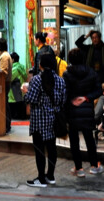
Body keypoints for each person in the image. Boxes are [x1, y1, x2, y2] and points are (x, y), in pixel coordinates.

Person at [23, 53, 66, 187]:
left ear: (40, 65)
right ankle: (50, 176)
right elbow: (63, 101)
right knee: (52, 148)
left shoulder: (36, 80)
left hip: (39, 120)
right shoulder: (60, 80)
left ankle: (41, 179)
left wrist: (25, 92)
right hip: (53, 119)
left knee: (40, 150)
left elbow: (31, 99)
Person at [63, 48, 104, 177]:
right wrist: (86, 98)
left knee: (74, 140)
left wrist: (71, 101)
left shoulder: (66, 74)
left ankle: (79, 169)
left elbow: (65, 92)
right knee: (89, 139)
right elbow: (99, 90)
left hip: (72, 109)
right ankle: (94, 166)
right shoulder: (91, 72)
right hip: (87, 109)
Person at [0, 38, 13, 133]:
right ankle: (6, 125)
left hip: (3, 84)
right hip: (4, 84)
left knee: (4, 105)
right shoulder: (4, 55)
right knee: (5, 104)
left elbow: (3, 72)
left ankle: (6, 125)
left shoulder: (4, 56)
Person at [8, 52, 27, 119]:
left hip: (14, 90)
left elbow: (9, 78)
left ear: (12, 60)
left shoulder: (14, 69)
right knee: (21, 102)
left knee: (14, 103)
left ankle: (16, 116)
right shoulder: (22, 67)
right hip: (20, 89)